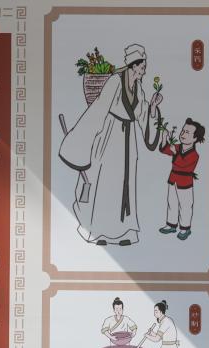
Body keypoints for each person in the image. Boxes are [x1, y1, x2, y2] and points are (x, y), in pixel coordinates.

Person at [59, 43, 163, 246]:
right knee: (104, 183)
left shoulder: (138, 88)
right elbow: (99, 108)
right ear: (134, 65)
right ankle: (98, 232)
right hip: (108, 137)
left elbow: (142, 114)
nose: (144, 70)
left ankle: (125, 232)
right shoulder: (115, 82)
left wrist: (152, 107)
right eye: (142, 66)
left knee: (125, 185)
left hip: (128, 144)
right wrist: (83, 139)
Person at [158, 118, 205, 241]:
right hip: (173, 179)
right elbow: (164, 150)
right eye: (183, 131)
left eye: (187, 132)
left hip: (185, 183)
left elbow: (182, 163)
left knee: (185, 206)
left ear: (195, 138)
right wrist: (164, 137)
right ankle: (171, 225)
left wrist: (175, 153)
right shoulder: (177, 147)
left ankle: (185, 228)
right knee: (172, 203)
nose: (183, 134)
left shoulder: (194, 155)